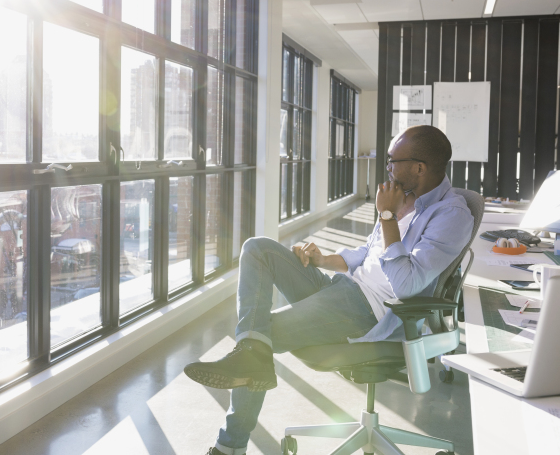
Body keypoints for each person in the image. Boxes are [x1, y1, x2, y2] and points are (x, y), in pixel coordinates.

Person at [184, 125, 474, 455]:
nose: (388, 167)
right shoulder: (400, 198)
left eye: (393, 160)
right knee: (257, 249)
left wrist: (388, 216)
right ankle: (248, 358)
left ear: (418, 167)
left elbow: (406, 284)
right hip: (342, 288)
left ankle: (229, 445)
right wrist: (323, 259)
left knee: (258, 337)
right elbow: (365, 255)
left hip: (370, 311)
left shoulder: (451, 215)